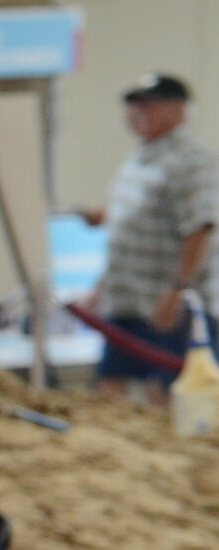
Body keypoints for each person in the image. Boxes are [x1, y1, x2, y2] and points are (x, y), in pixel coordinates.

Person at [84, 74, 219, 399]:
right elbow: (128, 231)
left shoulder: (190, 160)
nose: (137, 113)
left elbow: (200, 228)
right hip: (128, 299)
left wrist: (177, 290)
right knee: (110, 386)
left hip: (166, 304)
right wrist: (100, 290)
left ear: (178, 110)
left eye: (149, 105)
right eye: (133, 106)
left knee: (169, 391)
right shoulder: (141, 157)